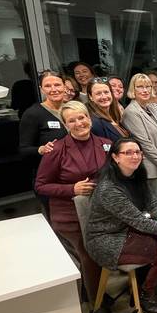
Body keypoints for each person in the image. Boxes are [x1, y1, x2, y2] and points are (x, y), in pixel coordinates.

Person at [85, 138, 157, 313]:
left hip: (129, 229)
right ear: (115, 157)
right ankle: (150, 291)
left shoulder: (137, 175)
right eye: (128, 152)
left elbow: (152, 203)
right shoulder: (108, 188)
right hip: (108, 239)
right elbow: (138, 221)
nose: (135, 156)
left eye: (137, 152)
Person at [35, 101, 110, 302]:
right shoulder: (57, 149)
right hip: (70, 215)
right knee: (89, 256)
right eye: (72, 120)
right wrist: (71, 189)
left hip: (98, 211)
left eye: (82, 117)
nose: (78, 123)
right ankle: (96, 305)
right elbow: (41, 185)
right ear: (65, 125)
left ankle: (96, 291)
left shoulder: (104, 144)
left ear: (89, 118)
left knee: (100, 253)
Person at [19, 70, 68, 219]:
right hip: (50, 179)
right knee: (59, 223)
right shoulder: (33, 114)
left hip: (73, 175)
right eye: (48, 86)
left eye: (57, 84)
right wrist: (41, 149)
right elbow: (24, 150)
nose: (54, 89)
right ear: (41, 89)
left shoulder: (72, 108)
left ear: (65, 86)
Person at [122, 73, 157, 199]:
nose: (145, 90)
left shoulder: (149, 108)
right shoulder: (131, 112)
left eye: (148, 86)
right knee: (149, 206)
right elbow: (143, 142)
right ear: (133, 89)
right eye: (140, 86)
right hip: (148, 169)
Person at [87, 78, 129, 142]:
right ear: (90, 97)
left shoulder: (115, 115)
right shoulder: (94, 123)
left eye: (106, 92)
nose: (104, 97)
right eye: (98, 93)